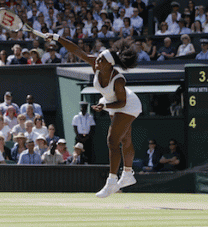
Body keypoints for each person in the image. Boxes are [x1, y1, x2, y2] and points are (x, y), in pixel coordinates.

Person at [46, 33, 141, 198]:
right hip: (111, 102)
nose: (96, 61)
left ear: (109, 65)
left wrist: (104, 105)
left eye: (101, 60)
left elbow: (122, 103)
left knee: (112, 140)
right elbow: (76, 50)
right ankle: (127, 174)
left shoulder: (118, 80)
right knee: (125, 139)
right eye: (97, 58)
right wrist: (56, 37)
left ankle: (112, 181)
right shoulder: (96, 65)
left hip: (126, 104)